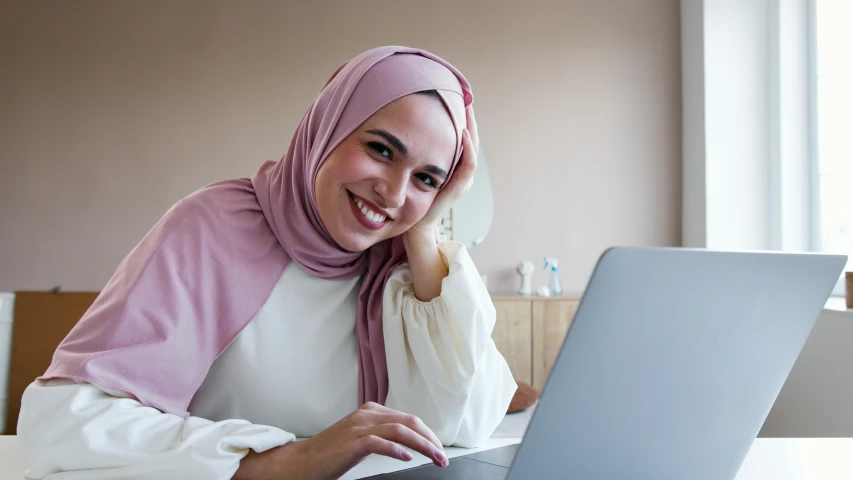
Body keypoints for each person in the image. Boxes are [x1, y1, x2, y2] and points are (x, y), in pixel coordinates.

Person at [16, 46, 517, 479]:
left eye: (427, 180)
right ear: (328, 126)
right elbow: (64, 422)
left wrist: (426, 229)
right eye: (381, 149)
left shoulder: (403, 265)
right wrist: (281, 462)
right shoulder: (211, 228)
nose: (393, 193)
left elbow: (463, 422)